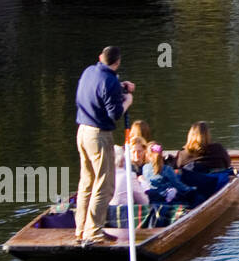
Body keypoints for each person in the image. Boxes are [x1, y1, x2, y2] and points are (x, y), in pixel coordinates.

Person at [73, 46, 135, 247]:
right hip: (98, 136)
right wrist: (128, 101)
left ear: (100, 57)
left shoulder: (90, 71)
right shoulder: (109, 81)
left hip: (82, 131)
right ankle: (94, 232)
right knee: (104, 184)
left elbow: (100, 89)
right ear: (117, 63)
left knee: (87, 182)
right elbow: (115, 114)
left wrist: (120, 86)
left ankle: (81, 229)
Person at [143, 141, 195, 205]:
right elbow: (179, 185)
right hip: (164, 196)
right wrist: (191, 188)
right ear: (161, 154)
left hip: (152, 196)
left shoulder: (144, 168)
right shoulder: (167, 169)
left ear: (147, 155)